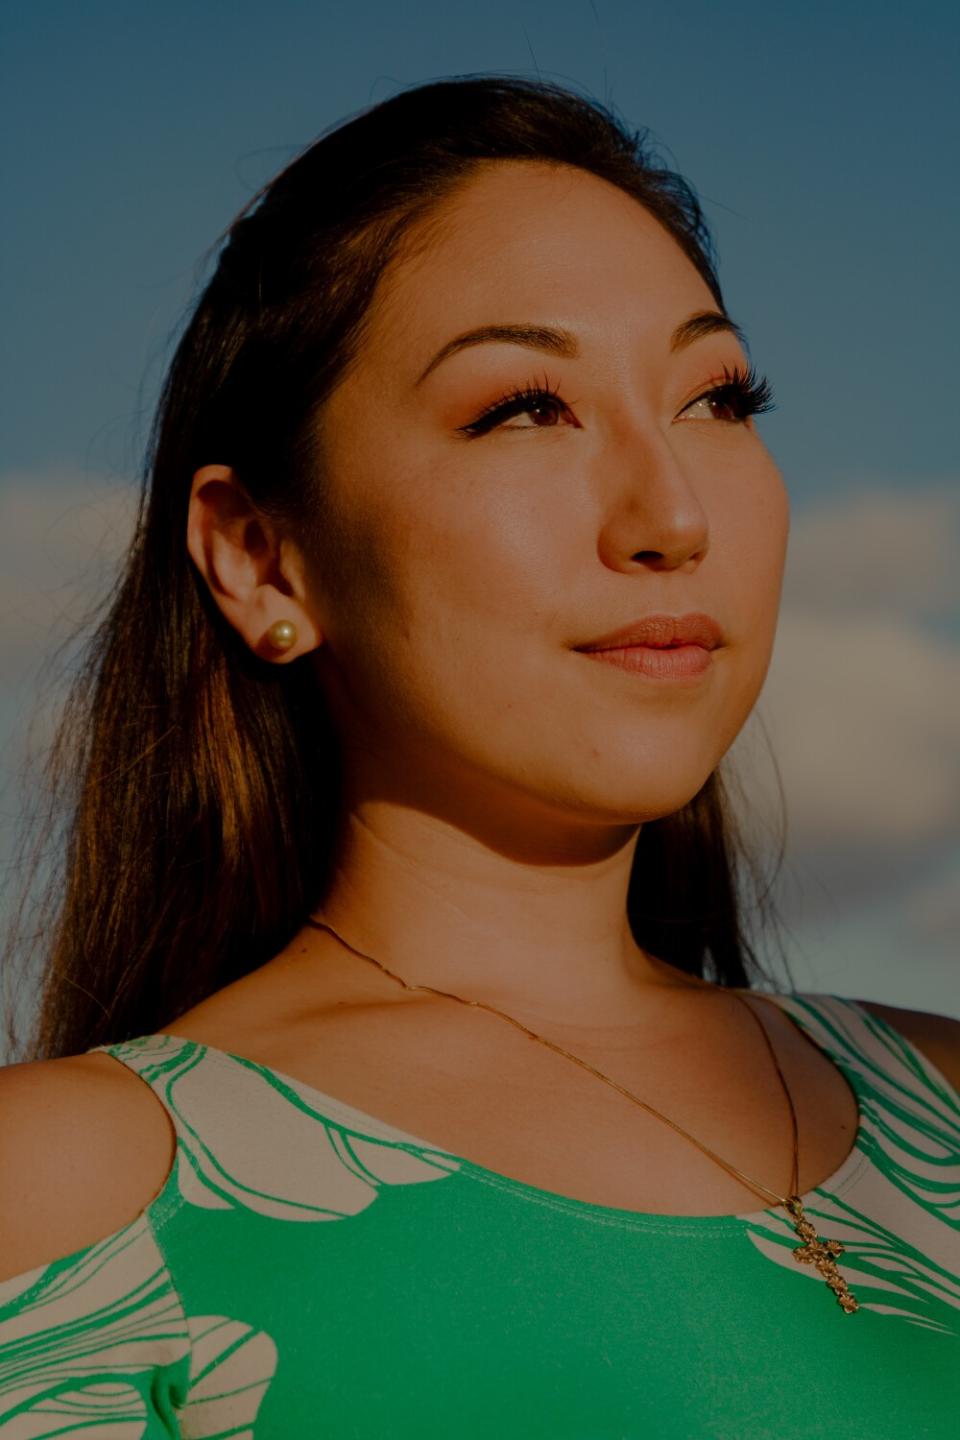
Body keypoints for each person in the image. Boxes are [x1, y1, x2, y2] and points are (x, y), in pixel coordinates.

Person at [1, 74, 958, 1437]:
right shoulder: (70, 1197)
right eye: (524, 408)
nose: (672, 514)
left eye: (718, 396)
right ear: (260, 554)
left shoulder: (946, 1113)